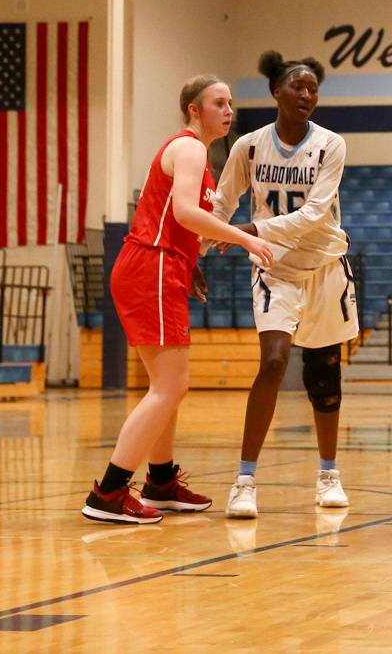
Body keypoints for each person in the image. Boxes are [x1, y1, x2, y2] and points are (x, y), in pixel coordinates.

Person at [82, 76, 275, 524]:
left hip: (159, 266)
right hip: (151, 265)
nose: (229, 111)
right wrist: (245, 239)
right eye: (218, 103)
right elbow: (188, 213)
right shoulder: (189, 148)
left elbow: (180, 220)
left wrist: (190, 262)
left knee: (166, 387)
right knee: (171, 386)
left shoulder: (196, 152)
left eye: (231, 103)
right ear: (194, 109)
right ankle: (108, 492)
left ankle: (161, 482)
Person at [209, 51, 356, 519]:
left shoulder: (331, 145)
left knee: (324, 377)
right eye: (299, 86)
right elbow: (221, 203)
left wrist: (252, 232)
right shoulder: (249, 147)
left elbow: (314, 215)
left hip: (325, 267)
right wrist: (200, 248)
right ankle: (245, 480)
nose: (308, 95)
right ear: (276, 91)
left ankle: (328, 473)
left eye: (313, 89)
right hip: (275, 268)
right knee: (273, 363)